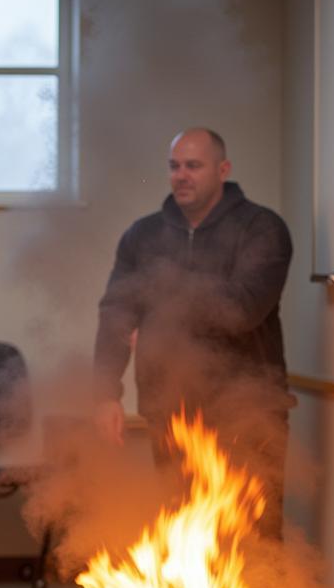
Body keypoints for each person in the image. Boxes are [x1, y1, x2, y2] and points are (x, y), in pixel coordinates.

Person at [92, 128, 293, 537]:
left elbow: (241, 309)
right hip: (170, 409)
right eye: (174, 166)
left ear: (223, 169)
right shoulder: (142, 235)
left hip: (249, 412)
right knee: (184, 537)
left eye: (194, 166)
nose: (181, 175)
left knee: (255, 535)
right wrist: (104, 393)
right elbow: (116, 311)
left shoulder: (262, 228)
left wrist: (162, 293)